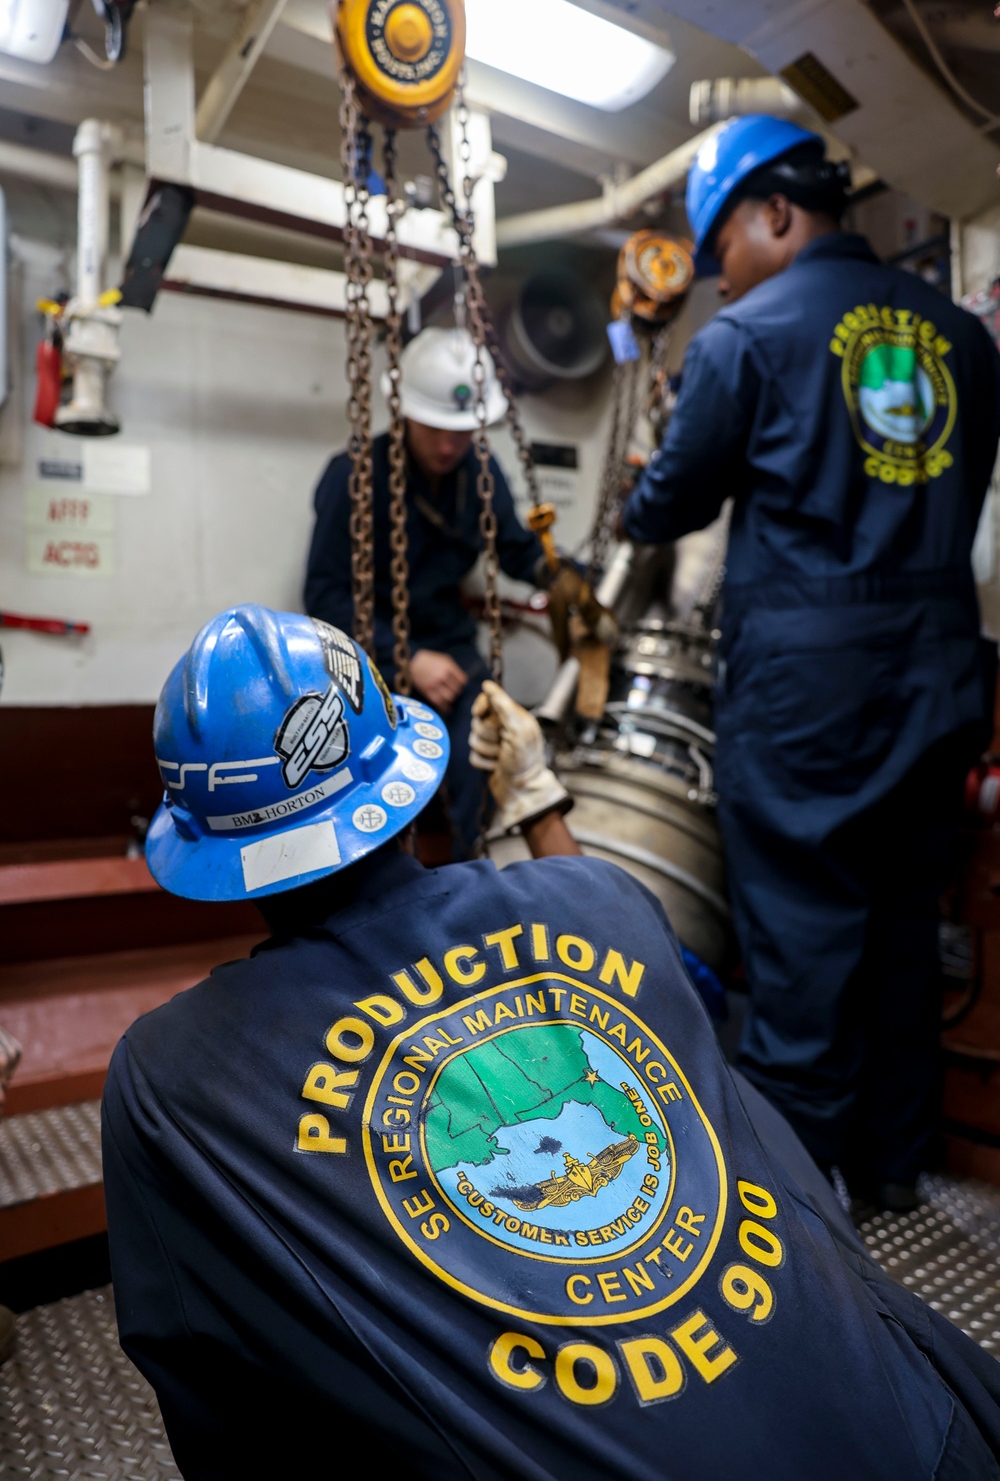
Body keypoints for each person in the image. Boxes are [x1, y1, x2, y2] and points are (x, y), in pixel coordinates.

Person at [104, 604, 1000, 1480]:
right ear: (410, 790)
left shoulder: (173, 1079)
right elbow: (637, 971)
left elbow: (213, 1391)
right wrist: (539, 803)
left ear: (212, 853)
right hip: (919, 1429)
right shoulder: (603, 900)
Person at [620, 115, 1000, 1210]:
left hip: (808, 687)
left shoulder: (747, 339)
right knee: (896, 931)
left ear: (774, 212)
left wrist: (656, 465)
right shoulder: (964, 342)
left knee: (795, 941)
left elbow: (664, 507)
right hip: (940, 672)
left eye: (719, 248)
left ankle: (790, 1216)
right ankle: (891, 1172)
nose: (717, 279)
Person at [304, 325, 545, 856]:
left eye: (461, 431)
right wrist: (405, 659)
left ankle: (476, 885)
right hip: (372, 658)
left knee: (481, 764)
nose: (447, 445)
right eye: (436, 427)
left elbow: (516, 549)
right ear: (404, 410)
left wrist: (562, 577)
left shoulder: (479, 473)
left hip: (454, 654)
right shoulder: (353, 477)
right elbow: (324, 597)